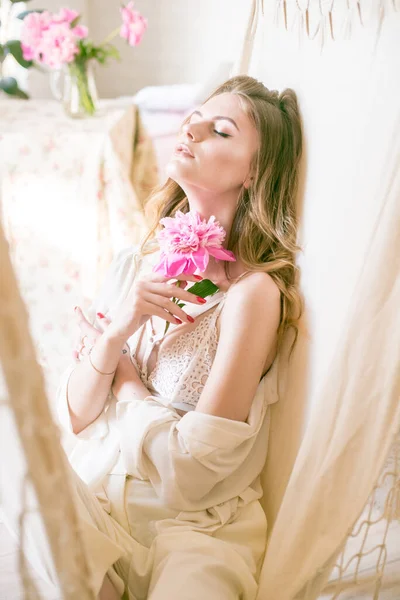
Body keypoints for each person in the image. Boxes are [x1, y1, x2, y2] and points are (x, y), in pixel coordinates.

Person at [1, 75, 303, 600]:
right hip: (101, 497)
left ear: (254, 172)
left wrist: (124, 382)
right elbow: (73, 415)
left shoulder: (253, 295)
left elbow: (190, 476)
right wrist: (120, 328)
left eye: (220, 131)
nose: (193, 127)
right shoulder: (135, 265)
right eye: (196, 117)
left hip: (192, 529)